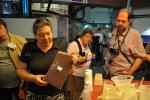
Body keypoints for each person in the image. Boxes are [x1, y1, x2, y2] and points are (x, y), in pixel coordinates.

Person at [16, 17, 76, 100]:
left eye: (48, 33)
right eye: (41, 35)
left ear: (52, 32)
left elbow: (69, 72)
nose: (46, 38)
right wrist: (33, 78)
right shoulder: (28, 48)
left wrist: (72, 65)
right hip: (34, 95)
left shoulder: (60, 47)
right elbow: (20, 70)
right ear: (35, 35)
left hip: (56, 95)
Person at [104, 8, 148, 77]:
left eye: (123, 21)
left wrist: (130, 72)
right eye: (118, 21)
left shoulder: (134, 34)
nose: (120, 23)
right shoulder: (114, 31)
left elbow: (141, 57)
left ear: (130, 21)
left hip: (122, 77)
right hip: (108, 73)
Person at [0, 18, 27, 100]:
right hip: (1, 87)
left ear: (5, 27)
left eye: (0, 28)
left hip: (20, 84)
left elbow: (30, 60)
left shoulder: (20, 40)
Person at [66, 28, 94, 100]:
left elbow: (87, 55)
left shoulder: (88, 45)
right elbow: (66, 59)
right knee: (75, 96)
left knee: (82, 95)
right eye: (87, 36)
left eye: (90, 37)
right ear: (82, 36)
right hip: (75, 76)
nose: (89, 39)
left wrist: (91, 56)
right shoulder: (74, 44)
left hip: (84, 76)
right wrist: (78, 59)